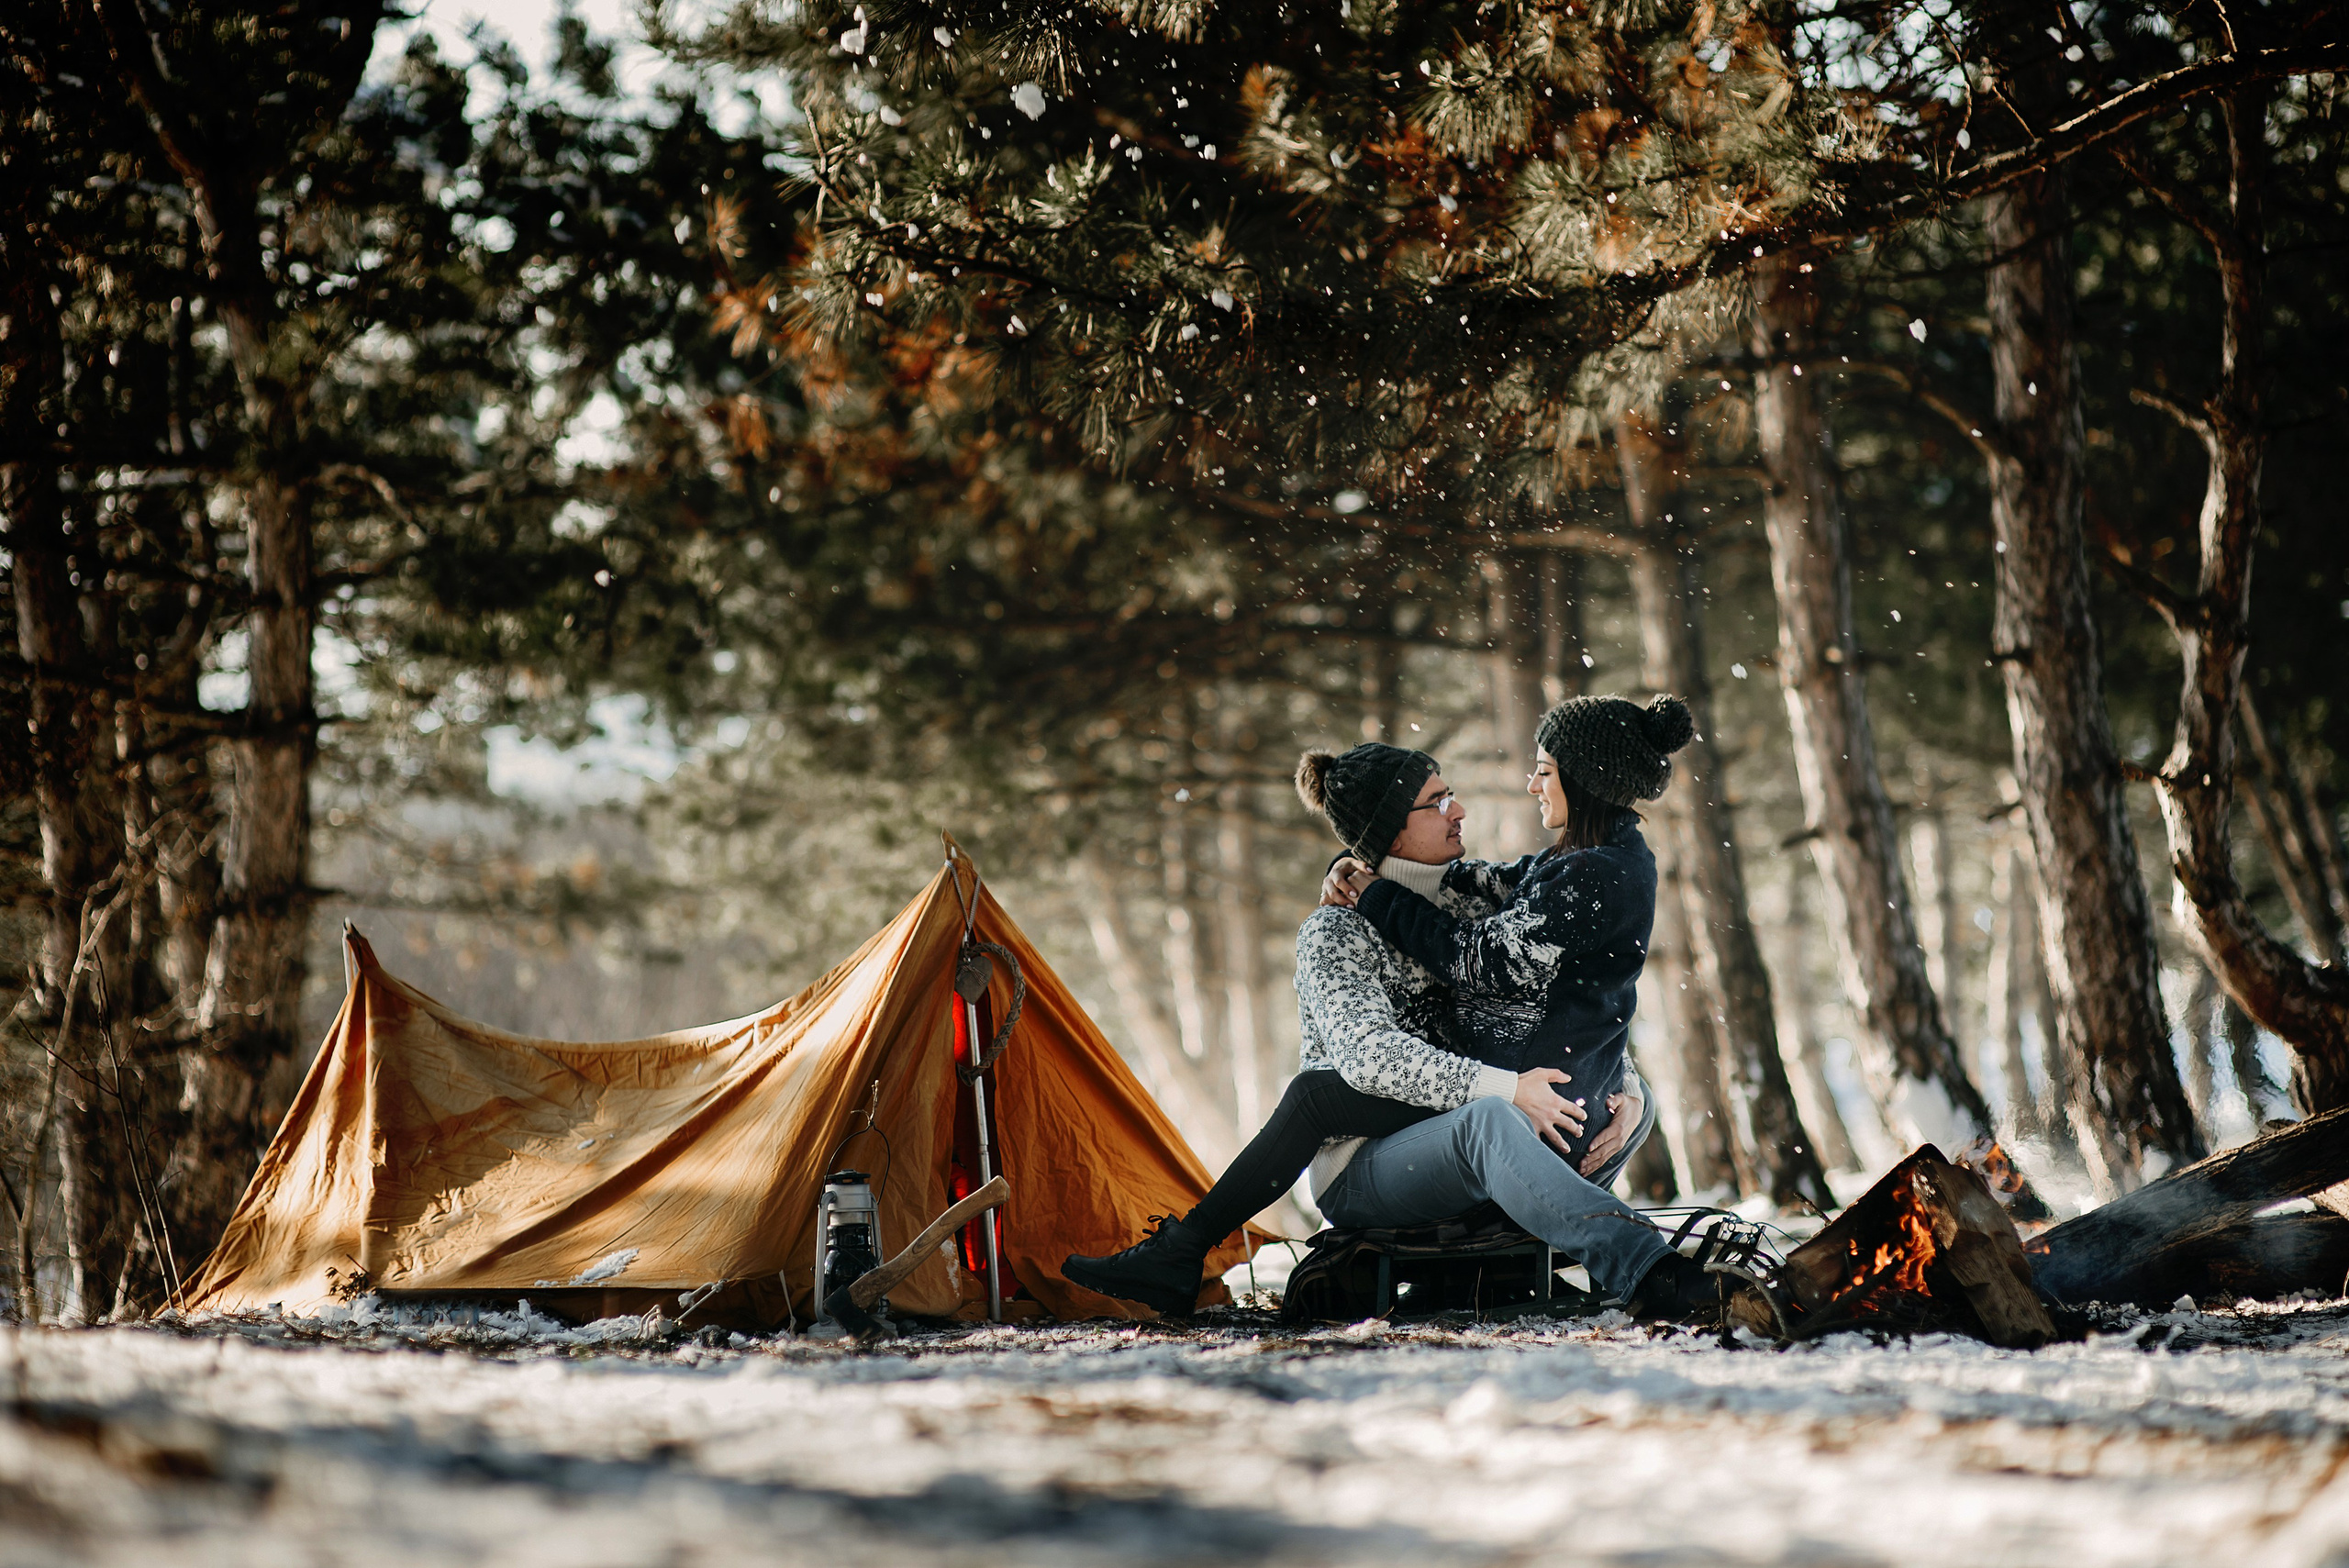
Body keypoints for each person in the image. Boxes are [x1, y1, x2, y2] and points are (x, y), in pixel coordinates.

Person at [1065, 695, 1715, 1320]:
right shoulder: (1335, 932)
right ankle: (1650, 1270)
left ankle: (1511, 1250)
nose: (1458, 809)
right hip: (1370, 1163)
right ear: (1391, 832)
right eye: (1436, 803)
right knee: (1431, 1110)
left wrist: (1624, 1082)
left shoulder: (1473, 898)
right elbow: (1370, 1060)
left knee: (1609, 1101)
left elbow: (1575, 986)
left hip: (1479, 1136)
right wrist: (1508, 1088)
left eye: (1450, 792)